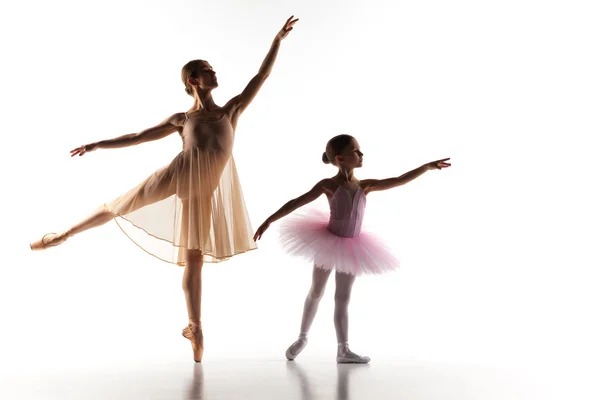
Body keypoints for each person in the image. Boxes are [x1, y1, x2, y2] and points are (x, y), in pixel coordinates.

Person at [29, 16, 299, 362]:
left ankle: (195, 327)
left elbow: (261, 76)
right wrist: (97, 144)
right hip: (177, 175)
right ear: (193, 80)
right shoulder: (182, 120)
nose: (214, 72)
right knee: (118, 206)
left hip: (201, 193)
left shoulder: (231, 111)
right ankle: (62, 235)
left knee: (194, 259)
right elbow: (137, 136)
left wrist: (277, 39)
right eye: (207, 69)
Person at [253, 134, 450, 363]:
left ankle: (343, 349)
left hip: (353, 247)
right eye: (356, 151)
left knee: (343, 298)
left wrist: (426, 167)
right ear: (340, 158)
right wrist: (269, 220)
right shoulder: (328, 185)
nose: (361, 154)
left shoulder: (364, 186)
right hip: (328, 243)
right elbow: (296, 202)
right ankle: (302, 338)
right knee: (316, 291)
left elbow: (399, 179)